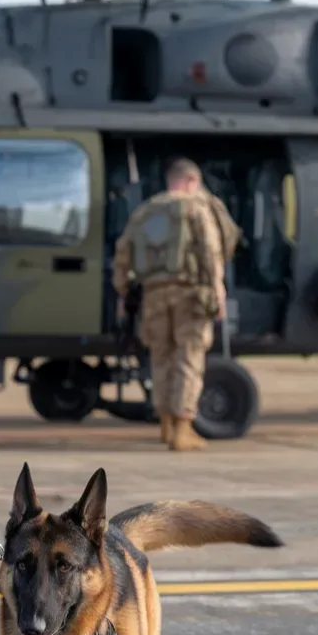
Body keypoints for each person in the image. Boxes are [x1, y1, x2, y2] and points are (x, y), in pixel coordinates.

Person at [112, 157, 239, 452]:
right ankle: (183, 428)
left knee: (161, 358)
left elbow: (122, 253)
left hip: (154, 295)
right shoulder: (196, 207)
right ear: (192, 181)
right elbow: (210, 250)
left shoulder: (144, 211)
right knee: (188, 357)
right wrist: (217, 291)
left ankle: (166, 426)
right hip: (189, 293)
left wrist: (122, 291)